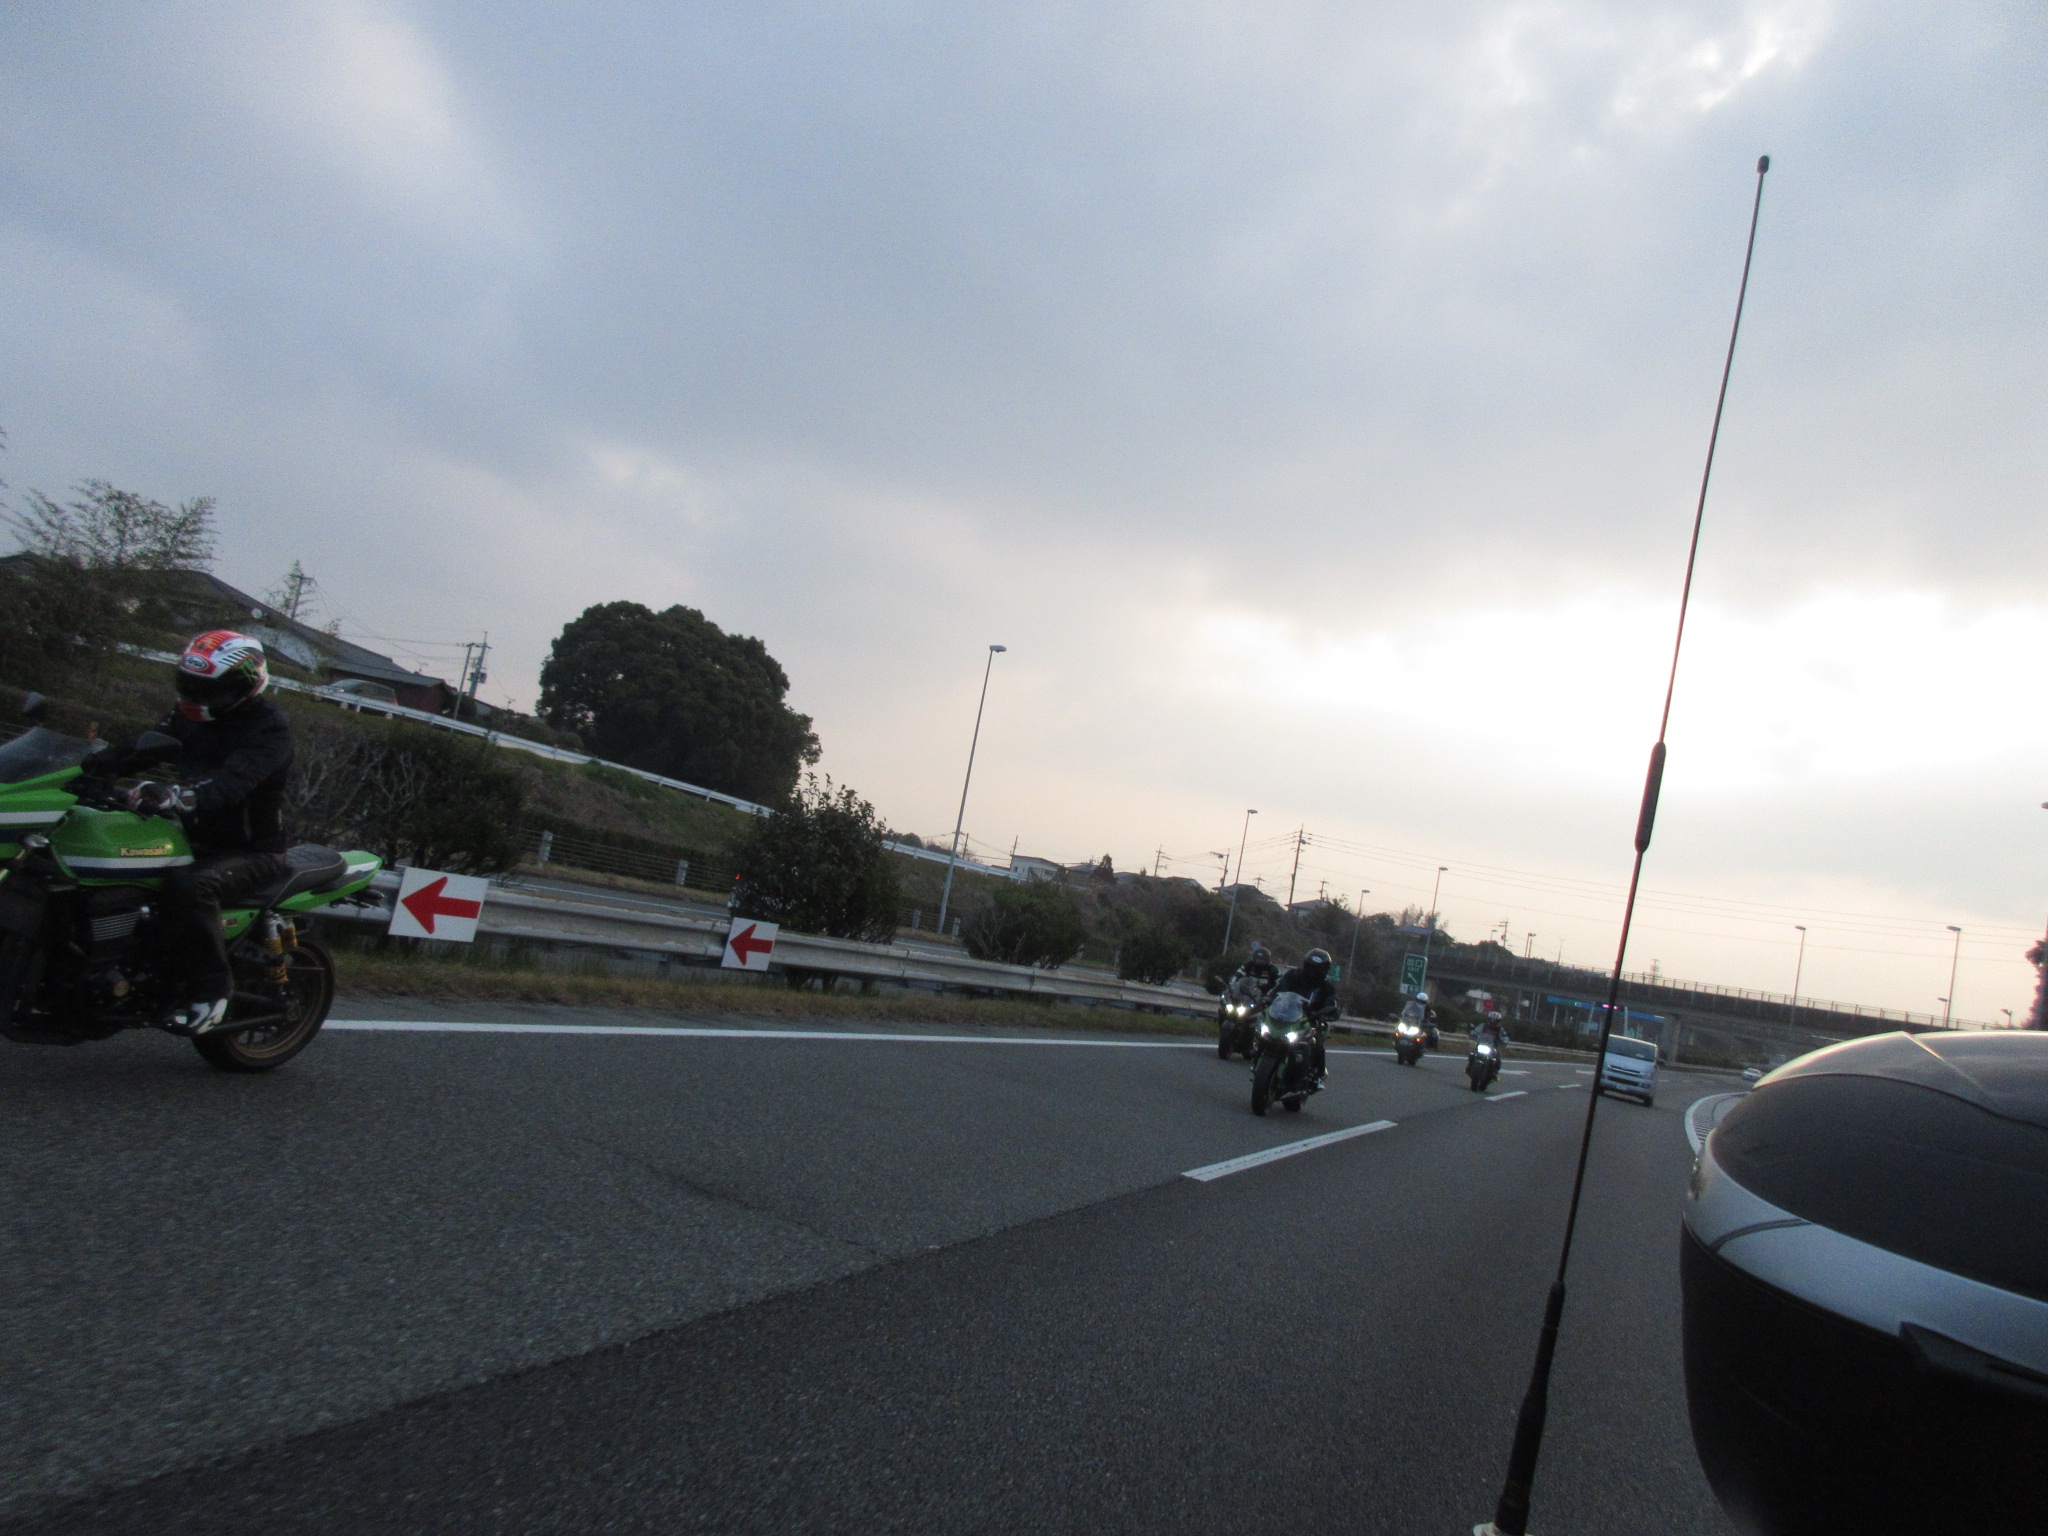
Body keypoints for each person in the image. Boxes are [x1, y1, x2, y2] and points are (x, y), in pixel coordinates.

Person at [124, 631, 294, 1035]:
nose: (197, 696)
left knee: (189, 887)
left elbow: (232, 782)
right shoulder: (184, 714)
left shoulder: (268, 729)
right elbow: (144, 747)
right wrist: (86, 769)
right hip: (192, 837)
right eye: (191, 685)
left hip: (252, 851)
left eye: (210, 689)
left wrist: (177, 796)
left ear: (245, 686)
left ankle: (213, 989)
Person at [1273, 947, 1341, 1086]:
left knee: (1317, 1044)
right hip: (1287, 1015)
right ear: (1306, 965)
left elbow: (1333, 1002)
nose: (1314, 971)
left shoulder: (1326, 987)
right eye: (1311, 967)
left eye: (1318, 968)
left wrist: (1329, 1011)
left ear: (1325, 969)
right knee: (1266, 1029)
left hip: (1311, 1021)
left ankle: (1318, 1075)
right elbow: (1278, 988)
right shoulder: (1293, 976)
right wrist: (1268, 998)